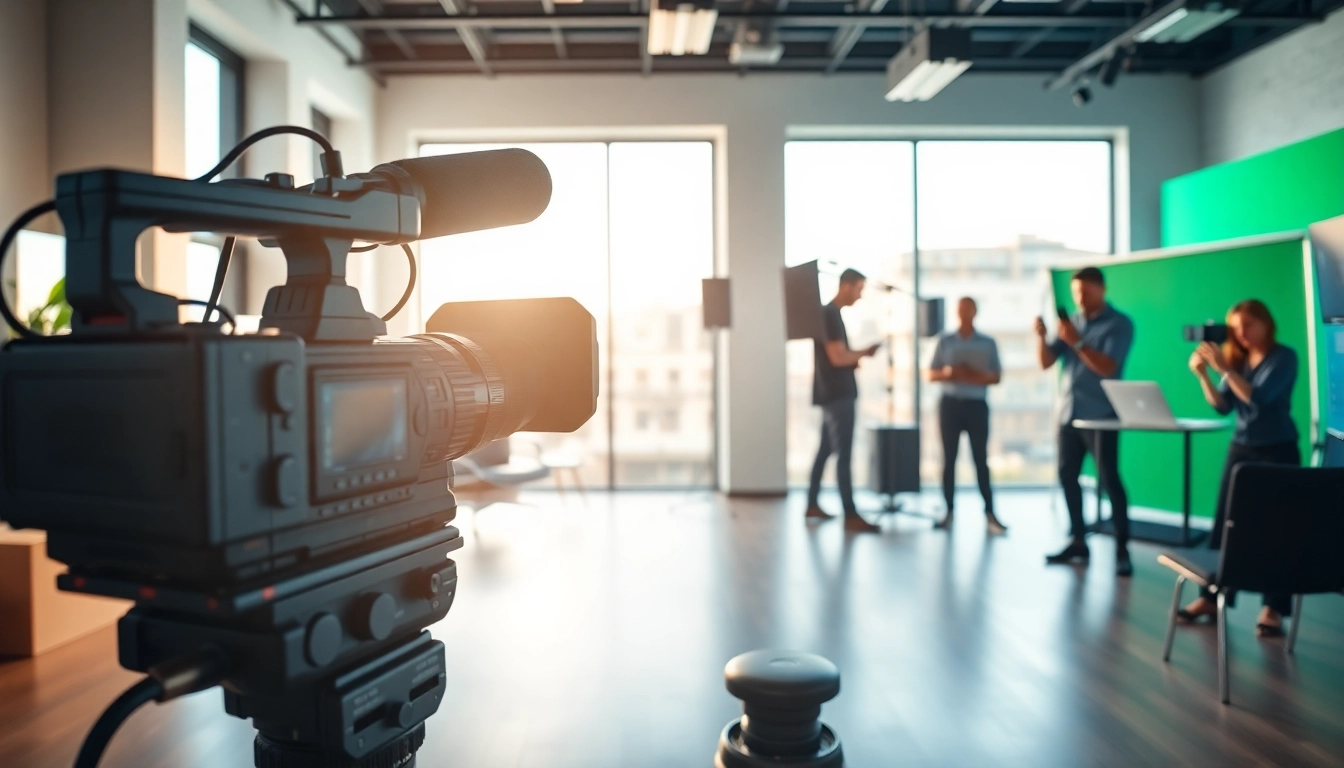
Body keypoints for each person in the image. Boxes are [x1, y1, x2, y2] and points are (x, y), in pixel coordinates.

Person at [1179, 299, 1299, 637]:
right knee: (1224, 525)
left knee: (1278, 530)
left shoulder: (1283, 357)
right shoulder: (1237, 360)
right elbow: (1222, 406)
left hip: (1277, 450)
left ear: (1266, 323)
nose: (1241, 333)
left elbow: (1257, 399)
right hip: (1241, 447)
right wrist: (1203, 374)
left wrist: (1223, 370)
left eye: (1247, 325)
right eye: (1235, 327)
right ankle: (1211, 598)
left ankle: (1273, 608)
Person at [1034, 267, 1136, 576]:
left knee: (1109, 479)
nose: (1080, 298)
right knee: (1067, 476)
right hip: (1069, 413)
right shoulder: (1071, 324)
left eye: (1086, 292)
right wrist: (1041, 337)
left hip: (1101, 415)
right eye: (1076, 293)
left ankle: (1122, 549)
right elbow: (1046, 362)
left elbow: (1107, 367)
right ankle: (1078, 540)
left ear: (1101, 289)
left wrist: (1077, 343)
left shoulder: (1119, 324)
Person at [805, 268, 882, 533]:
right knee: (843, 455)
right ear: (847, 286)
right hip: (838, 395)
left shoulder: (829, 314)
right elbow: (838, 358)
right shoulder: (830, 315)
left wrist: (854, 357)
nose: (860, 296)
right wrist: (863, 353)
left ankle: (812, 504)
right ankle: (850, 514)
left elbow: (837, 357)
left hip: (831, 393)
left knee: (825, 451)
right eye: (859, 289)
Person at [928, 297, 1007, 534]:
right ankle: (948, 511)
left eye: (968, 309)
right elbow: (931, 374)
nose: (964, 313)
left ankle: (990, 514)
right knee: (948, 460)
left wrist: (972, 375)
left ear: (975, 312)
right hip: (950, 405)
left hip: (976, 406)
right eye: (960, 309)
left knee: (980, 460)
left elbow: (996, 376)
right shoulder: (944, 340)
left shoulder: (988, 343)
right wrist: (950, 373)